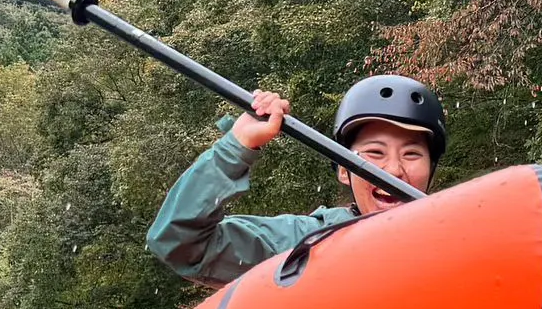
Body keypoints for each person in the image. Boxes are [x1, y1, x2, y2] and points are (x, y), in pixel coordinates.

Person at [147, 74, 447, 287]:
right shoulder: (303, 242)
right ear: (344, 171)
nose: (393, 170)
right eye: (374, 153)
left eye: (411, 154)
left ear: (431, 169)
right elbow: (179, 243)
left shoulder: (454, 234)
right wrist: (236, 146)